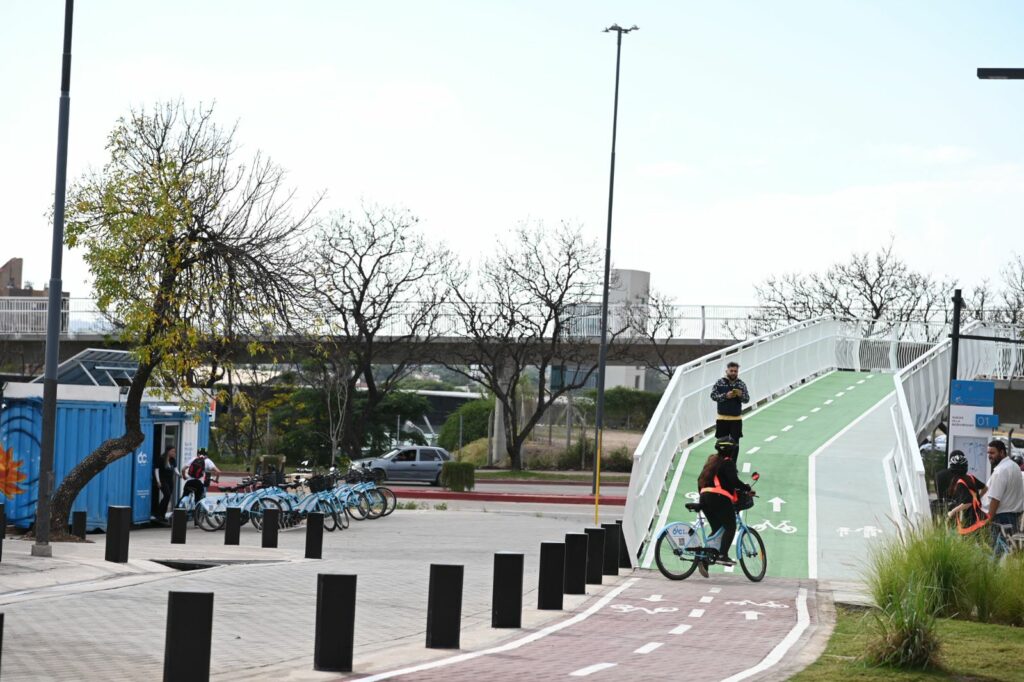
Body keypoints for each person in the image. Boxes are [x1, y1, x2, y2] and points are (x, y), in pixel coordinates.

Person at [696, 437, 751, 578]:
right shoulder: (728, 463)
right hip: (718, 498)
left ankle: (705, 559)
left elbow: (700, 480)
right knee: (730, 527)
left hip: (704, 496)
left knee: (716, 529)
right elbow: (734, 481)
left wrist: (703, 498)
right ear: (731, 450)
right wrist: (746, 487)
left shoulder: (711, 461)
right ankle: (722, 554)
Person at [979, 439, 1024, 554]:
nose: (989, 456)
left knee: (998, 554)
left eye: (992, 453)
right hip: (1014, 517)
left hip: (1001, 518)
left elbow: (995, 499)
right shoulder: (1015, 466)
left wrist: (989, 519)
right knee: (1008, 552)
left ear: (1002, 452)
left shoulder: (1000, 471)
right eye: (988, 453)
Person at [944, 451, 988, 535]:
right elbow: (985, 488)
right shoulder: (970, 477)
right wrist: (977, 498)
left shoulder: (960, 483)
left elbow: (967, 503)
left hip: (969, 520)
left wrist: (951, 512)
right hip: (979, 516)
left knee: (969, 544)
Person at [710, 362, 749, 443]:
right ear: (726, 371)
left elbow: (746, 400)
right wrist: (725, 396)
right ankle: (723, 456)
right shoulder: (719, 382)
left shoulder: (741, 384)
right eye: (731, 371)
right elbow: (713, 396)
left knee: (735, 443)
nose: (733, 373)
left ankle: (733, 456)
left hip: (736, 419)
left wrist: (740, 395)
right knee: (721, 443)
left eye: (735, 371)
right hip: (722, 418)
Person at [181, 449, 221, 513]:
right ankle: (196, 519)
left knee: (184, 496)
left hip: (189, 482)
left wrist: (184, 477)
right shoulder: (208, 461)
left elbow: (183, 469)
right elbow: (218, 472)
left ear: (198, 454)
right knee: (198, 501)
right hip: (198, 484)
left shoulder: (194, 459)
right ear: (206, 455)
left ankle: (177, 512)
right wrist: (216, 480)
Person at [155, 446, 178, 522]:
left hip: (170, 481)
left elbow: (175, 469)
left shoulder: (172, 460)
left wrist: (179, 474)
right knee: (167, 495)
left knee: (167, 497)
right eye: (173, 451)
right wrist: (158, 481)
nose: (174, 453)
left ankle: (162, 515)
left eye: (174, 451)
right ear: (168, 451)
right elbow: (156, 470)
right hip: (162, 480)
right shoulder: (161, 459)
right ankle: (158, 514)